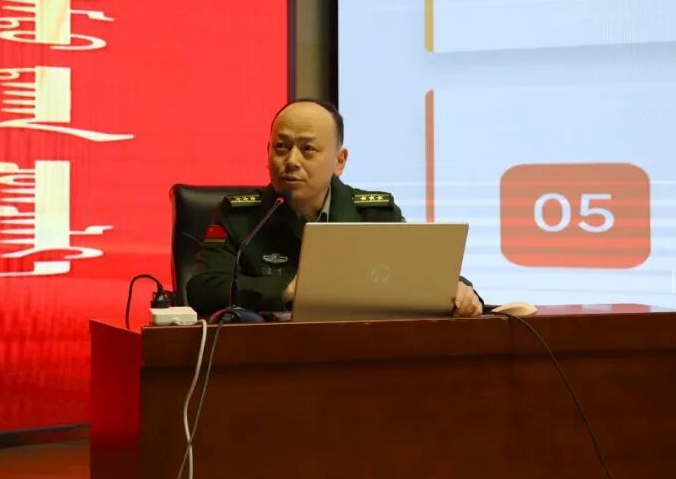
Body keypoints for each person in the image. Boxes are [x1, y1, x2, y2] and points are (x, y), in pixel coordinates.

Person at [185, 99, 482, 317]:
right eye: (281, 147)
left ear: (339, 161)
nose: (291, 161)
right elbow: (203, 289)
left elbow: (421, 273)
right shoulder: (240, 216)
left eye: (307, 149)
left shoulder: (373, 215)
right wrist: (286, 290)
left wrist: (459, 290)